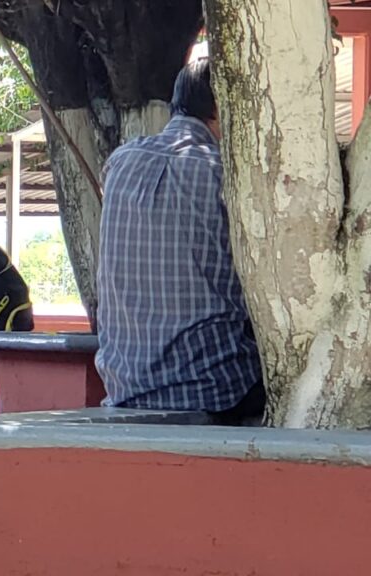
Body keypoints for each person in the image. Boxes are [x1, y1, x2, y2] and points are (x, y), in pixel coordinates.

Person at [94, 59, 264, 424]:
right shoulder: (226, 174)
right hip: (217, 388)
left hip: (126, 386)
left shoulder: (120, 163)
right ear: (223, 105)